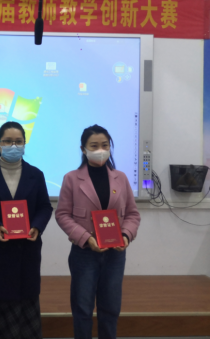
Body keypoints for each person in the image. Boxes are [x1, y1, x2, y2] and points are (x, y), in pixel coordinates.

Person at [0, 121, 53, 339]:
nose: (13, 146)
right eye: (7, 141)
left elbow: (44, 207)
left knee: (24, 317)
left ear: (24, 144)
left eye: (18, 141)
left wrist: (37, 226)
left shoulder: (36, 174)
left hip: (26, 253)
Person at [55, 124, 141, 339]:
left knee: (110, 308)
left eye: (105, 145)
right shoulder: (71, 178)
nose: (100, 150)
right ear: (83, 149)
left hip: (115, 254)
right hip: (84, 253)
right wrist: (86, 239)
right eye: (94, 146)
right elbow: (62, 215)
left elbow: (132, 214)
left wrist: (125, 235)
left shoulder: (121, 178)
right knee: (82, 309)